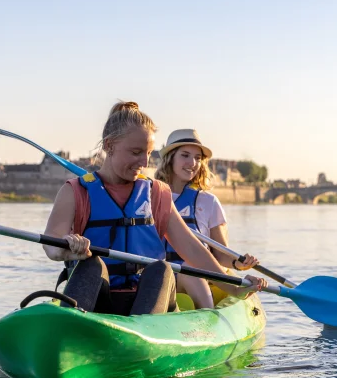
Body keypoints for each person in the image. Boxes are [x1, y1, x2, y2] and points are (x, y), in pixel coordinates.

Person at [43, 102, 265, 315]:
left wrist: (235, 287)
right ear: (109, 146)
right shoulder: (75, 192)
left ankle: (143, 334)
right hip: (98, 299)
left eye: (149, 153)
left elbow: (194, 251)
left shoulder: (157, 194)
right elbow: (52, 245)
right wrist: (69, 248)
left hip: (148, 301)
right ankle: (71, 324)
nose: (144, 161)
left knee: (161, 269)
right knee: (90, 264)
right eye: (136, 152)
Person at [155, 129, 259, 309]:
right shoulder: (150, 197)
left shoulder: (208, 202)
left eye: (197, 158)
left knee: (190, 268)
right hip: (161, 279)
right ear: (170, 158)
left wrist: (237, 263)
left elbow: (219, 255)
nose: (192, 163)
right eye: (185, 155)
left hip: (197, 278)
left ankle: (209, 319)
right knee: (184, 269)